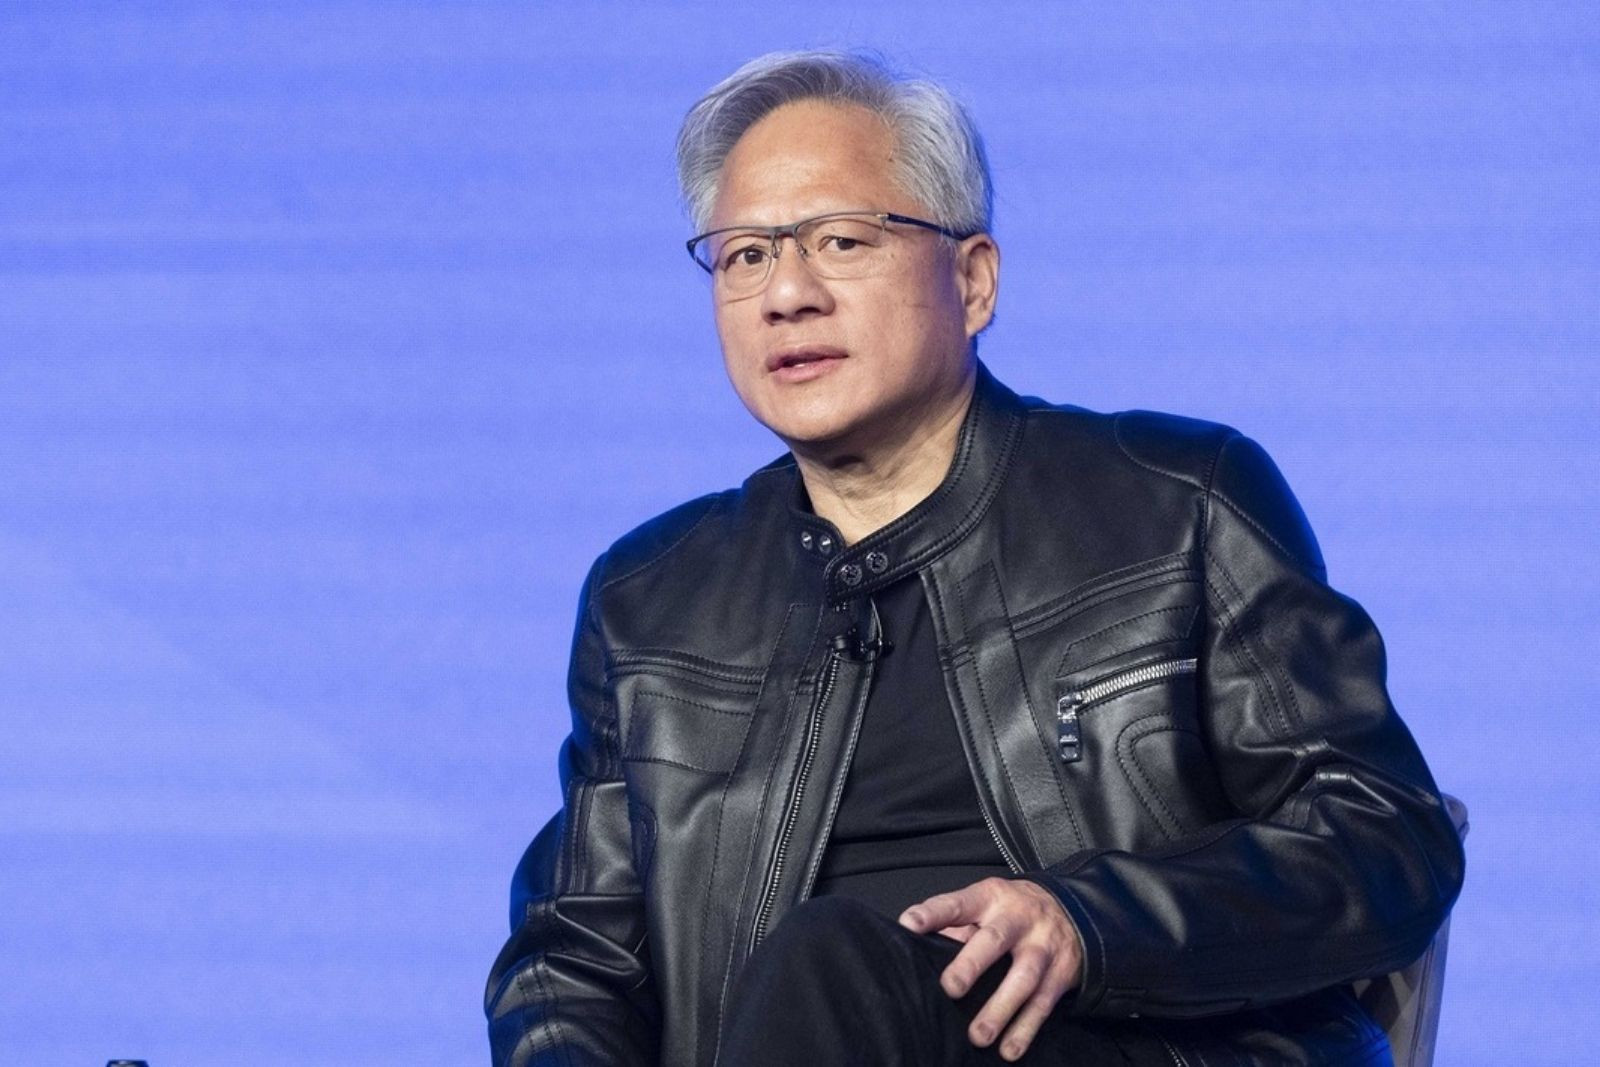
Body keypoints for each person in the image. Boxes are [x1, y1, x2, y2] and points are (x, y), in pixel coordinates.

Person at [484, 50, 1465, 1067]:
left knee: (832, 959)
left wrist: (1091, 921)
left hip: (1132, 1045)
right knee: (822, 967)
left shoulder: (1178, 504)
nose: (787, 293)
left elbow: (1385, 838)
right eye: (744, 256)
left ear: (973, 278)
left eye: (840, 240)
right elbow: (573, 961)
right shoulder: (651, 600)